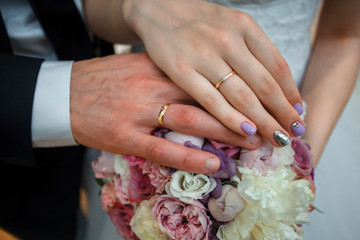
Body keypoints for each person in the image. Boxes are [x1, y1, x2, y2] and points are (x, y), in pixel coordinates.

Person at [81, 0, 360, 239]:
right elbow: (87, 8)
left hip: (298, 124)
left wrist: (298, 162)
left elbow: (343, 36)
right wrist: (136, 7)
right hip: (146, 116)